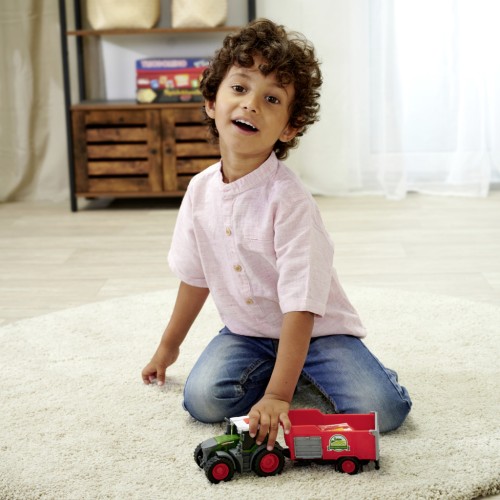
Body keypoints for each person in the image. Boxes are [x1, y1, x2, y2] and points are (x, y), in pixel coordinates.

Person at [142, 18, 412, 450]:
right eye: (239, 88)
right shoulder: (199, 191)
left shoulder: (290, 201)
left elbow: (302, 305)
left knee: (384, 410)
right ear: (211, 101)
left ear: (289, 127)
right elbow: (194, 277)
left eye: (271, 99)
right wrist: (167, 348)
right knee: (203, 401)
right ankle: (284, 370)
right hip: (247, 333)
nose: (251, 104)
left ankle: (305, 370)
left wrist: (278, 396)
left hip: (319, 333)